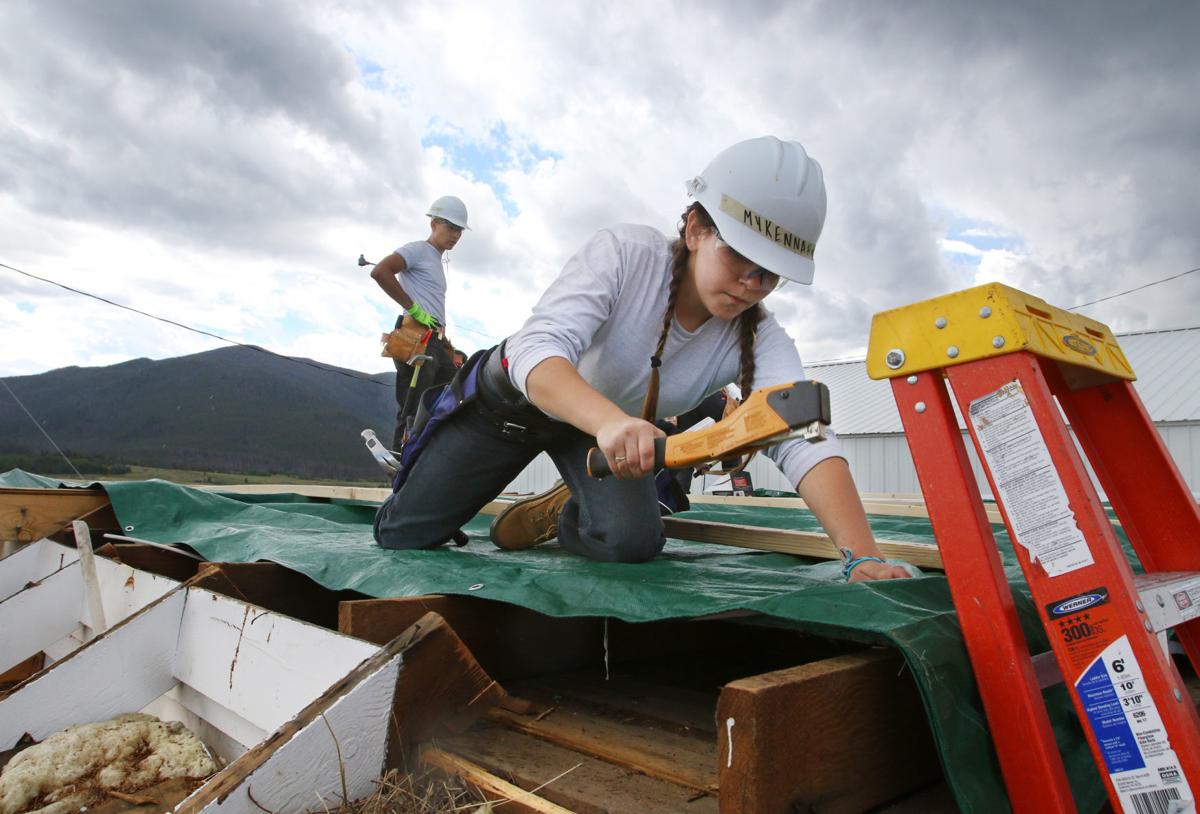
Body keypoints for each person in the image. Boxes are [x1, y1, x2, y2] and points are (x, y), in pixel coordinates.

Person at [373, 137, 911, 583]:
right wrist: (609, 422)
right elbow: (537, 351)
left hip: (599, 433)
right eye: (740, 257)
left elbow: (803, 432)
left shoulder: (760, 334)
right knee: (405, 538)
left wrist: (862, 556)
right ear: (697, 229)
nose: (752, 284)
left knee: (632, 542)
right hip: (512, 408)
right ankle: (458, 497)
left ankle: (572, 510)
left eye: (769, 273)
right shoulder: (625, 255)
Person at [370, 196, 470, 450]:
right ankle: (400, 460)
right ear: (434, 223)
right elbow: (380, 271)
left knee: (450, 397)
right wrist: (414, 308)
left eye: (459, 230)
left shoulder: (436, 259)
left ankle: (427, 457)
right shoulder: (418, 250)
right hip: (418, 339)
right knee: (414, 407)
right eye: (450, 227)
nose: (455, 235)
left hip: (435, 342)